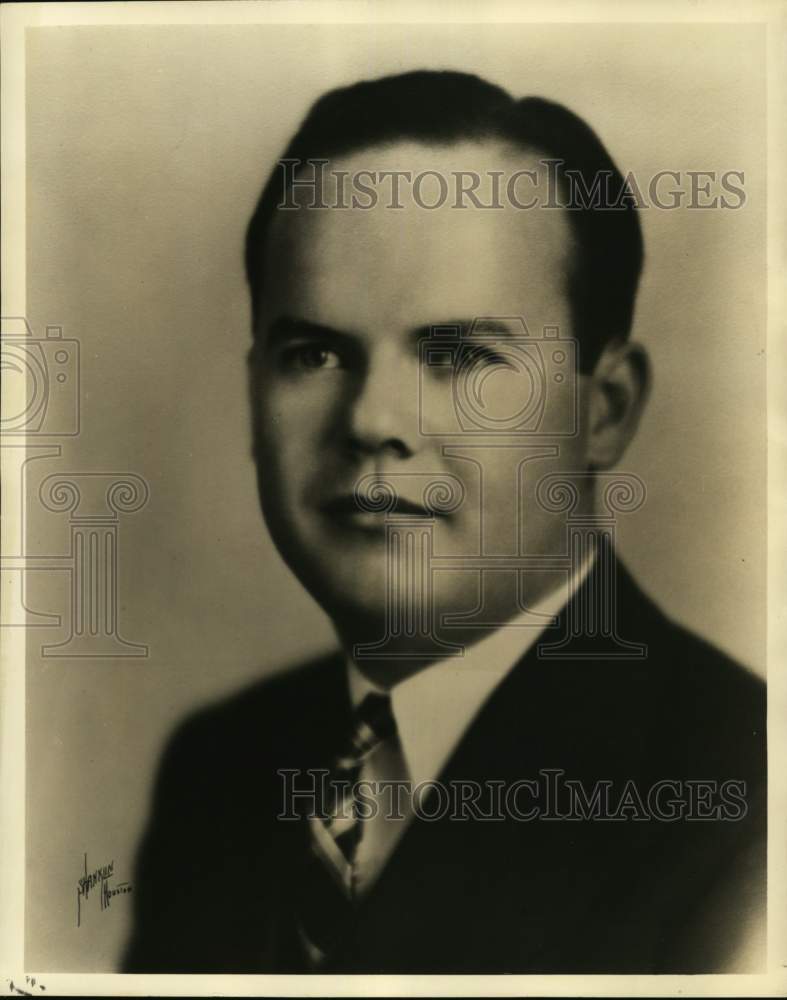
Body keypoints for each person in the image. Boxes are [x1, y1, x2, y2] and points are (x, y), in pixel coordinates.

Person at [123, 70, 765, 974]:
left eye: (459, 355)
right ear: (251, 396)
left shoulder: (744, 803)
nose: (371, 419)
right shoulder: (219, 768)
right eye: (312, 353)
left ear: (604, 410)